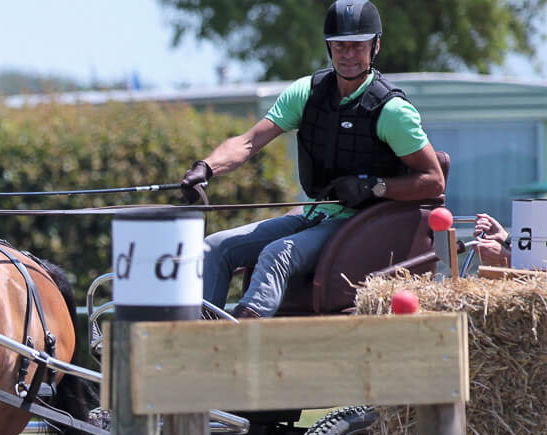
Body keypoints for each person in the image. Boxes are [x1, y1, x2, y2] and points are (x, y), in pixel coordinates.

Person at [180, 0, 445, 318]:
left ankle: (244, 332)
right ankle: (201, 334)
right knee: (214, 247)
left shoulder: (392, 112)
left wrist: (374, 186)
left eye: (357, 46)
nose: (347, 54)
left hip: (359, 223)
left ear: (375, 46)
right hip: (313, 213)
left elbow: (434, 181)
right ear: (329, 47)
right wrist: (206, 167)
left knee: (277, 254)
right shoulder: (305, 93)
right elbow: (249, 142)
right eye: (340, 45)